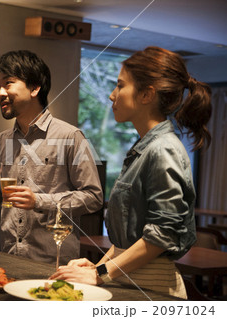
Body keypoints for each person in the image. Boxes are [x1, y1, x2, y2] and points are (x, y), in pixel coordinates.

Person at [50, 46, 212, 299]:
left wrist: (100, 273)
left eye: (120, 86)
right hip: (131, 277)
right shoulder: (145, 147)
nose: (112, 95)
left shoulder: (163, 149)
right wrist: (96, 267)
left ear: (146, 94)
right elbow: (129, 239)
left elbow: (162, 235)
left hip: (151, 286)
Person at [0, 50, 103, 264]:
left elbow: (93, 197)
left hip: (53, 263)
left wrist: (39, 201)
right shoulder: (2, 140)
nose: (1, 93)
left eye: (8, 83)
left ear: (34, 87)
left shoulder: (70, 136)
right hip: (9, 259)